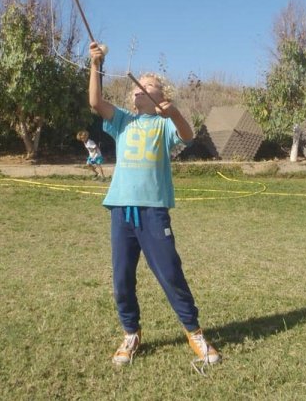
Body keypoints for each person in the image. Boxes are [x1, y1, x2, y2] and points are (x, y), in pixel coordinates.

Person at [88, 41, 220, 369]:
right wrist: (95, 64)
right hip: (121, 209)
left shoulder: (163, 124)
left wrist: (173, 112)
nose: (140, 88)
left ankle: (194, 331)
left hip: (153, 211)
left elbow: (187, 136)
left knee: (170, 272)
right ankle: (131, 333)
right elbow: (95, 102)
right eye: (138, 86)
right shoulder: (122, 121)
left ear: (161, 95)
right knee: (122, 277)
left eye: (148, 85)